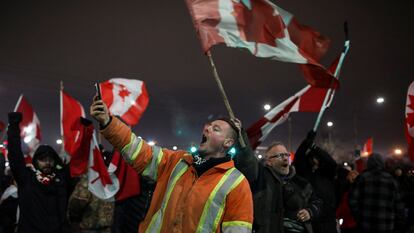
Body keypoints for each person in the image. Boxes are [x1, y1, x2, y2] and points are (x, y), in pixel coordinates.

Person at [90, 97, 253, 233]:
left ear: (228, 142)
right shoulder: (177, 161)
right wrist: (108, 122)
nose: (207, 129)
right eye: (208, 126)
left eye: (215, 129)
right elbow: (138, 150)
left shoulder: (237, 184)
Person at [233, 124, 322, 233]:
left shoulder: (301, 183)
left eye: (286, 155)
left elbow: (317, 202)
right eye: (279, 156)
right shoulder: (261, 178)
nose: (285, 158)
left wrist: (310, 211)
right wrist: (240, 134)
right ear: (269, 161)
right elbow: (247, 159)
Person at [7, 112, 70, 233]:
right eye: (43, 159)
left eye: (50, 159)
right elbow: (15, 155)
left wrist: (86, 132)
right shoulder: (26, 178)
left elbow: (79, 161)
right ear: (36, 162)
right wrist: (13, 126)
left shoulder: (61, 179)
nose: (47, 163)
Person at [293, 131, 338, 233]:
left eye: (318, 158)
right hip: (310, 218)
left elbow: (332, 163)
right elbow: (298, 159)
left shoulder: (327, 174)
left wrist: (315, 148)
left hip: (327, 220)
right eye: (313, 158)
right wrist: (306, 143)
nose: (315, 160)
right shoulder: (304, 173)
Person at [349, 153, 405, 233]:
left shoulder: (362, 178)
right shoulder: (391, 180)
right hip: (386, 225)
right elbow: (399, 204)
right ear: (382, 163)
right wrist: (398, 223)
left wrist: (359, 217)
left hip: (366, 224)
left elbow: (352, 200)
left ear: (368, 163)